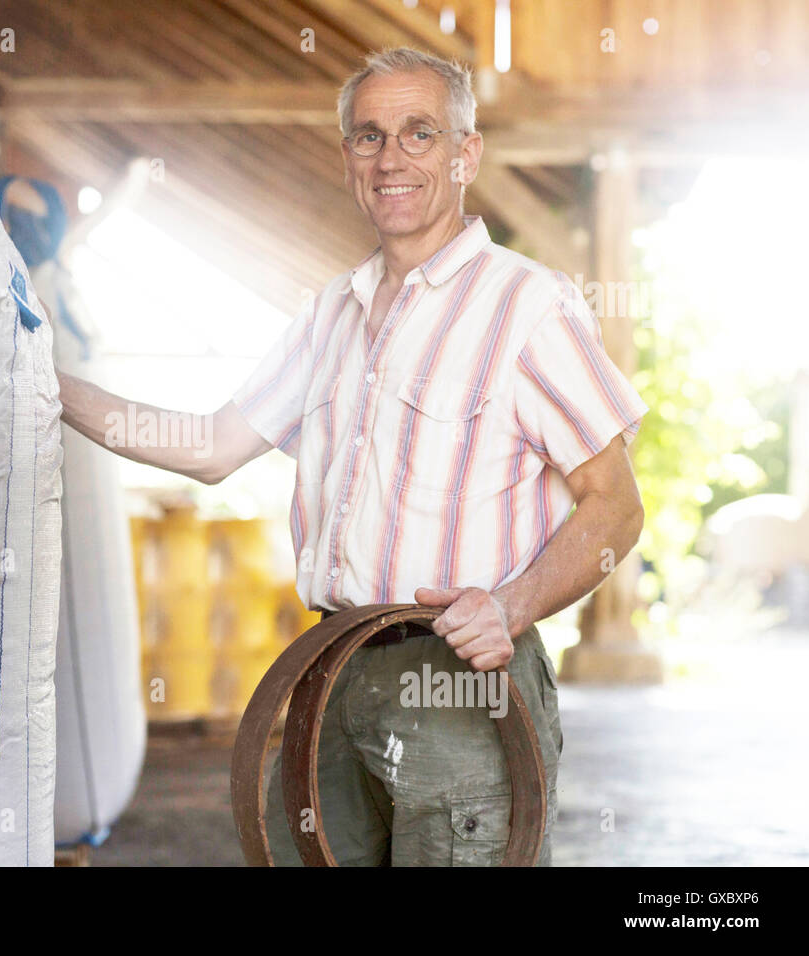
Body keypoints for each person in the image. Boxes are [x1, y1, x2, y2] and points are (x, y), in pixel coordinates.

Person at [55, 47, 648, 866]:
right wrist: (48, 387)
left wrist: (512, 604)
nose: (392, 158)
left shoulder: (527, 305)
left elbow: (616, 504)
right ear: (347, 161)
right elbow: (210, 446)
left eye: (419, 133)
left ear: (465, 154)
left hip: (461, 684)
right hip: (334, 676)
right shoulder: (332, 310)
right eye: (369, 138)